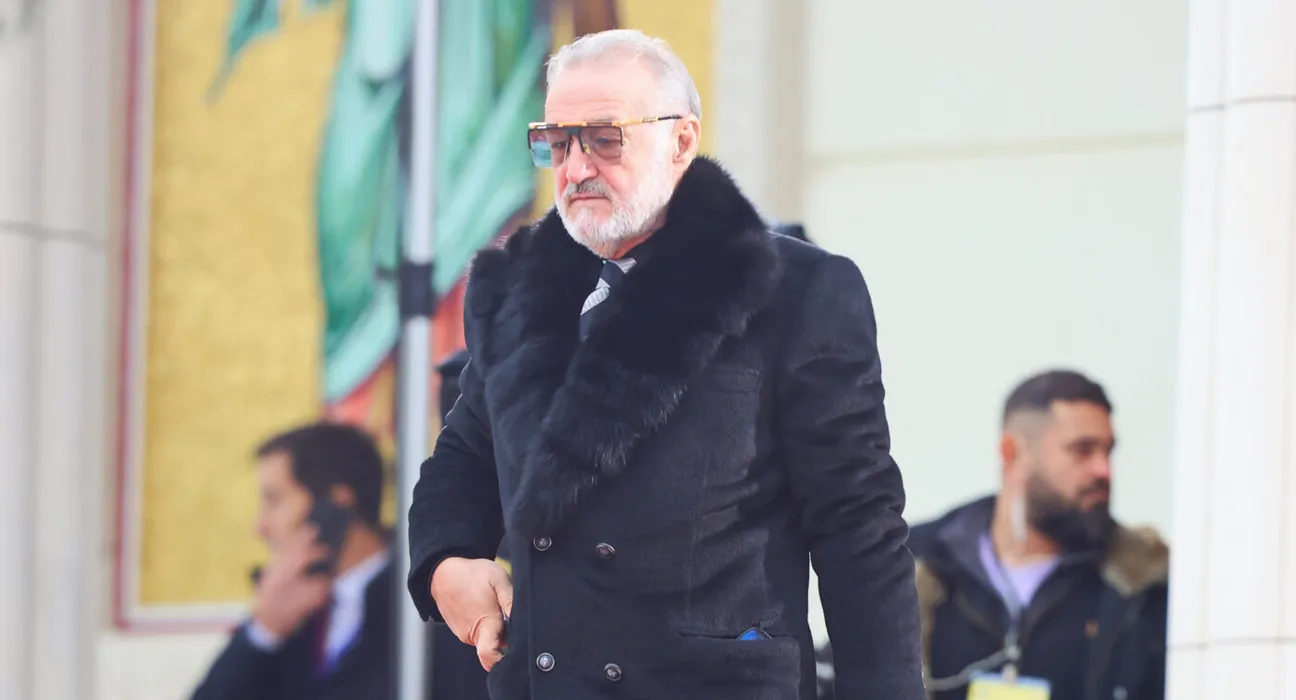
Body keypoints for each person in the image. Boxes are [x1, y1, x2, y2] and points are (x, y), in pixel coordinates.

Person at [405, 29, 924, 700]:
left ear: (682, 140)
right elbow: (465, 458)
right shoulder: (518, 292)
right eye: (557, 142)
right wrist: (445, 561)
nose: (575, 167)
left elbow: (858, 527)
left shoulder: (796, 290)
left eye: (604, 139)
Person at [832, 370, 1166, 700]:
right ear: (1011, 453)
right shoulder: (912, 569)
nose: (1103, 470)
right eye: (1082, 450)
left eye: (1108, 451)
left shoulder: (1142, 588)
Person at [190, 423, 394, 700]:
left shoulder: (422, 602)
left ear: (335, 503)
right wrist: (263, 632)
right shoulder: (295, 614)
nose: (260, 527)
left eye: (274, 501)